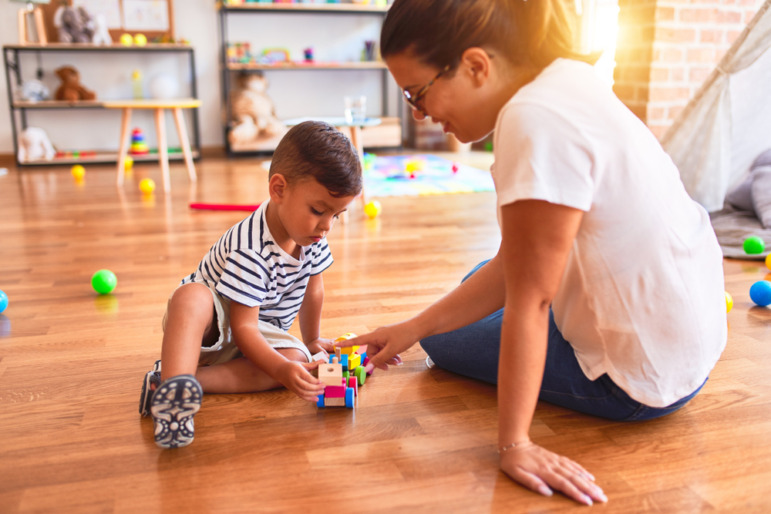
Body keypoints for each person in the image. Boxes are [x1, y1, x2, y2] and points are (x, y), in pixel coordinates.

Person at [340, 0, 727, 506]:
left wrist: (514, 443)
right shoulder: (567, 78)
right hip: (690, 345)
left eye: (417, 92)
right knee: (483, 277)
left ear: (478, 65)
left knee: (447, 342)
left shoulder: (531, 119)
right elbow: (511, 266)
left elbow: (531, 300)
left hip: (639, 380)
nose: (419, 114)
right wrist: (409, 327)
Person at [139, 120, 362, 449]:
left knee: (296, 363)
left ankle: (172, 383)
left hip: (259, 329)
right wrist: (280, 369)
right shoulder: (251, 248)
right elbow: (243, 329)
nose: (327, 225)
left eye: (336, 215)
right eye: (318, 210)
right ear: (279, 189)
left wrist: (311, 341)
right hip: (210, 328)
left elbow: (314, 290)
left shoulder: (313, 236)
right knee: (191, 297)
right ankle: (176, 390)